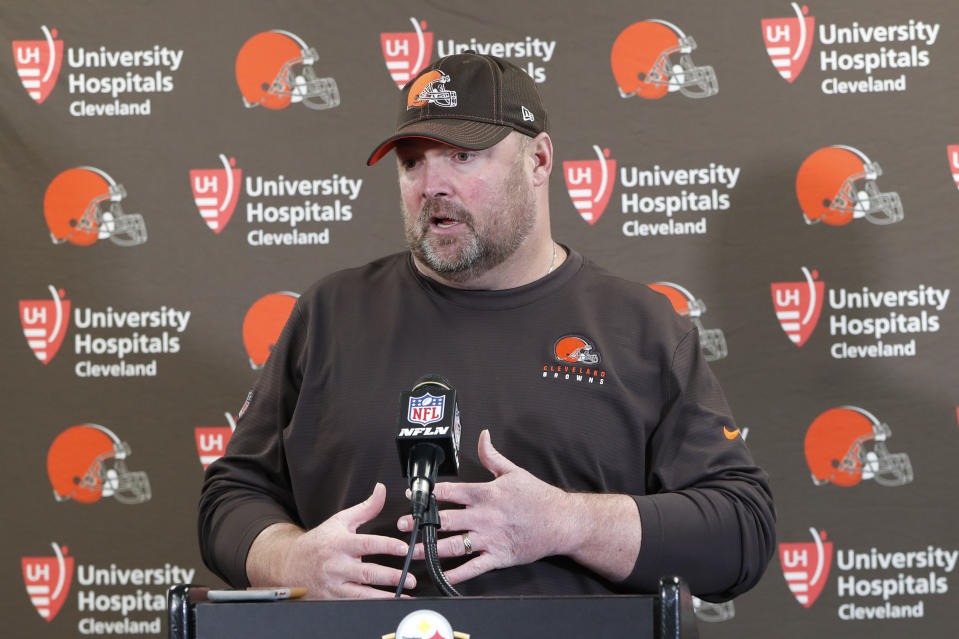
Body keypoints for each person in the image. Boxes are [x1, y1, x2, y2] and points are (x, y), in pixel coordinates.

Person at [198, 52, 775, 601]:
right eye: (412, 162)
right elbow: (231, 498)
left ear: (539, 160)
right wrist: (290, 559)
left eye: (462, 156)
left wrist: (566, 523)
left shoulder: (640, 329)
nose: (432, 185)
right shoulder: (329, 314)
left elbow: (740, 531)